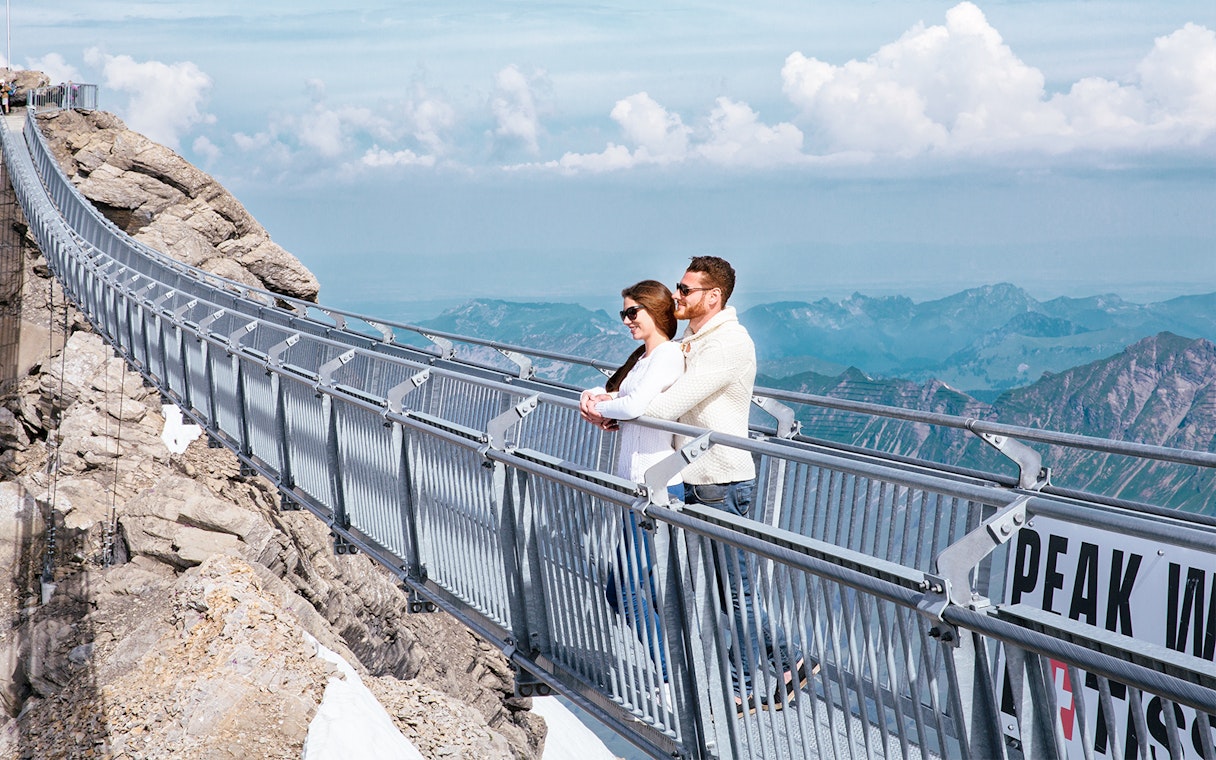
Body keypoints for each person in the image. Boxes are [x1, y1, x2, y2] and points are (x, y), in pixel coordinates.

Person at [583, 256, 815, 715]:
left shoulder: (727, 344)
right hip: (696, 477)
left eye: (687, 290)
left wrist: (615, 407)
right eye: (677, 287)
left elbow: (669, 406)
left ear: (714, 297)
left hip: (719, 479)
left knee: (736, 594)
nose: (677, 296)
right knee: (728, 592)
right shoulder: (696, 339)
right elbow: (656, 399)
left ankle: (740, 688)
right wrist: (616, 405)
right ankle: (789, 661)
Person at [580, 280, 683, 679]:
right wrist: (592, 402)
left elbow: (634, 404)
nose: (625, 320)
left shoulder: (668, 357)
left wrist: (610, 406)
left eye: (631, 312)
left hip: (655, 487)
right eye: (624, 313)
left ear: (655, 312)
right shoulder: (643, 358)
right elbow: (612, 392)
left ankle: (673, 674)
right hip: (638, 487)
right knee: (636, 590)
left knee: (622, 589)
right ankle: (677, 670)